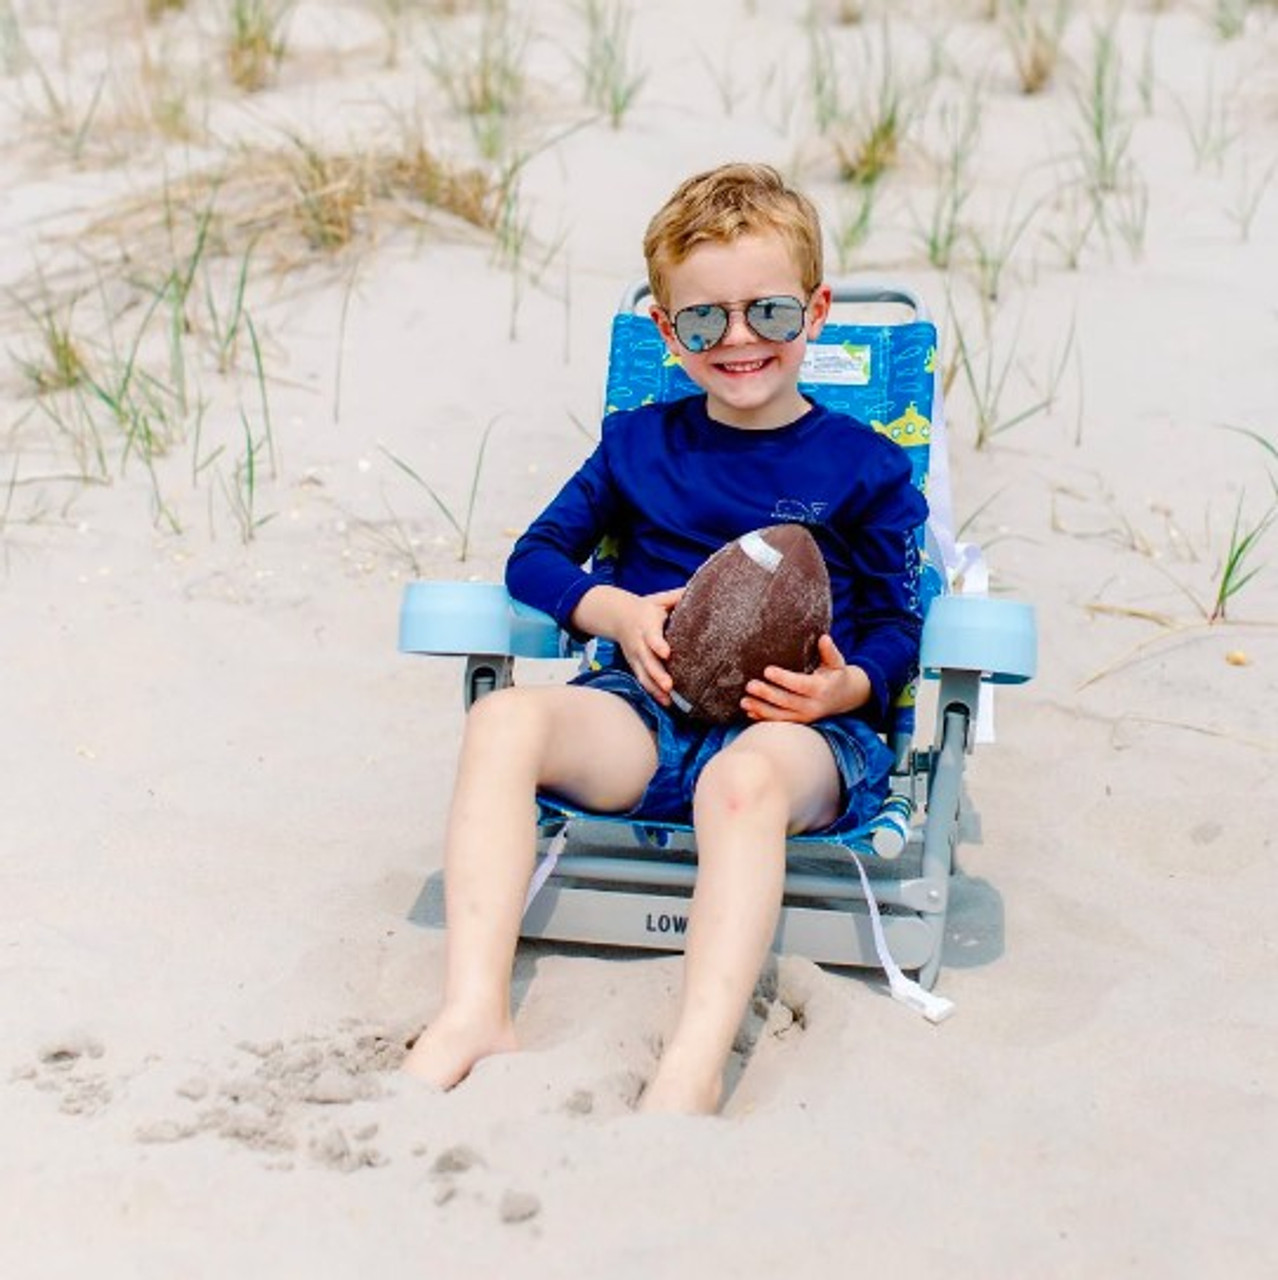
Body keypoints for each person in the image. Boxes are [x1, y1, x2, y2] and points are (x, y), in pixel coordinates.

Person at [403, 162, 927, 1114]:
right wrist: (616, 612)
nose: (737, 340)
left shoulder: (866, 466)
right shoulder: (638, 444)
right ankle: (475, 1008)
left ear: (814, 313)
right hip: (648, 710)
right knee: (505, 724)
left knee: (742, 780)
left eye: (767, 312)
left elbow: (899, 624)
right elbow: (537, 557)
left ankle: (691, 1061)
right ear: (665, 330)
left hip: (796, 732)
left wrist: (845, 691)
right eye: (702, 321)